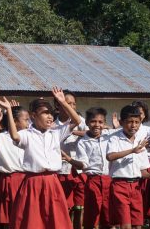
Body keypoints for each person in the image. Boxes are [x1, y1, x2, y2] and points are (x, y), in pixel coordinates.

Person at [0, 86, 81, 229]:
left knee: (55, 220)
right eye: (44, 113)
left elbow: (76, 121)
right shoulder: (27, 134)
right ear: (33, 116)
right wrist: (10, 113)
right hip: (33, 182)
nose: (49, 116)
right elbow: (14, 135)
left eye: (50, 113)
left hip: (52, 182)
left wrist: (63, 102)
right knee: (32, 221)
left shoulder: (56, 133)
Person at [106, 105, 150, 229]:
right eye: (130, 122)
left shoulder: (140, 141)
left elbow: (142, 171)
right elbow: (110, 156)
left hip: (136, 187)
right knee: (125, 225)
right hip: (120, 185)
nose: (133, 125)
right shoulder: (115, 138)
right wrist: (132, 150)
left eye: (137, 122)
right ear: (121, 122)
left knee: (138, 225)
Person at [68, 107, 115, 229]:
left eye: (100, 122)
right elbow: (84, 164)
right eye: (93, 121)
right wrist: (70, 160)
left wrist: (114, 127)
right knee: (92, 215)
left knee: (109, 216)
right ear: (87, 123)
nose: (97, 125)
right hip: (93, 181)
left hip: (109, 180)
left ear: (104, 123)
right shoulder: (83, 142)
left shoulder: (109, 136)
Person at [0, 105, 28, 225]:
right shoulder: (1, 137)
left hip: (27, 180)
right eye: (26, 120)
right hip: (11, 180)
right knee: (8, 217)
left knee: (26, 216)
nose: (28, 123)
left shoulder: (30, 135)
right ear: (14, 121)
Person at [55, 90, 88, 229]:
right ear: (58, 105)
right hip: (62, 170)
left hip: (79, 170)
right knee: (64, 207)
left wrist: (73, 131)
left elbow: (92, 131)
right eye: (68, 103)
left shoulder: (80, 122)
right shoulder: (52, 124)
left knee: (80, 207)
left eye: (74, 104)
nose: (72, 107)